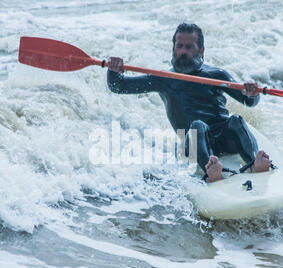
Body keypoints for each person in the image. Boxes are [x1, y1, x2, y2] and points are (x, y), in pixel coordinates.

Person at [107, 23, 271, 182]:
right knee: (197, 126)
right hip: (193, 147)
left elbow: (249, 101)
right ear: (173, 49)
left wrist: (251, 93)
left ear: (201, 50)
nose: (183, 52)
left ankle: (254, 164)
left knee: (236, 120)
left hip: (224, 140)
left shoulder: (216, 75)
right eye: (179, 46)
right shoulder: (163, 79)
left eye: (189, 47)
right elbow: (119, 86)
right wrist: (114, 72)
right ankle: (211, 172)